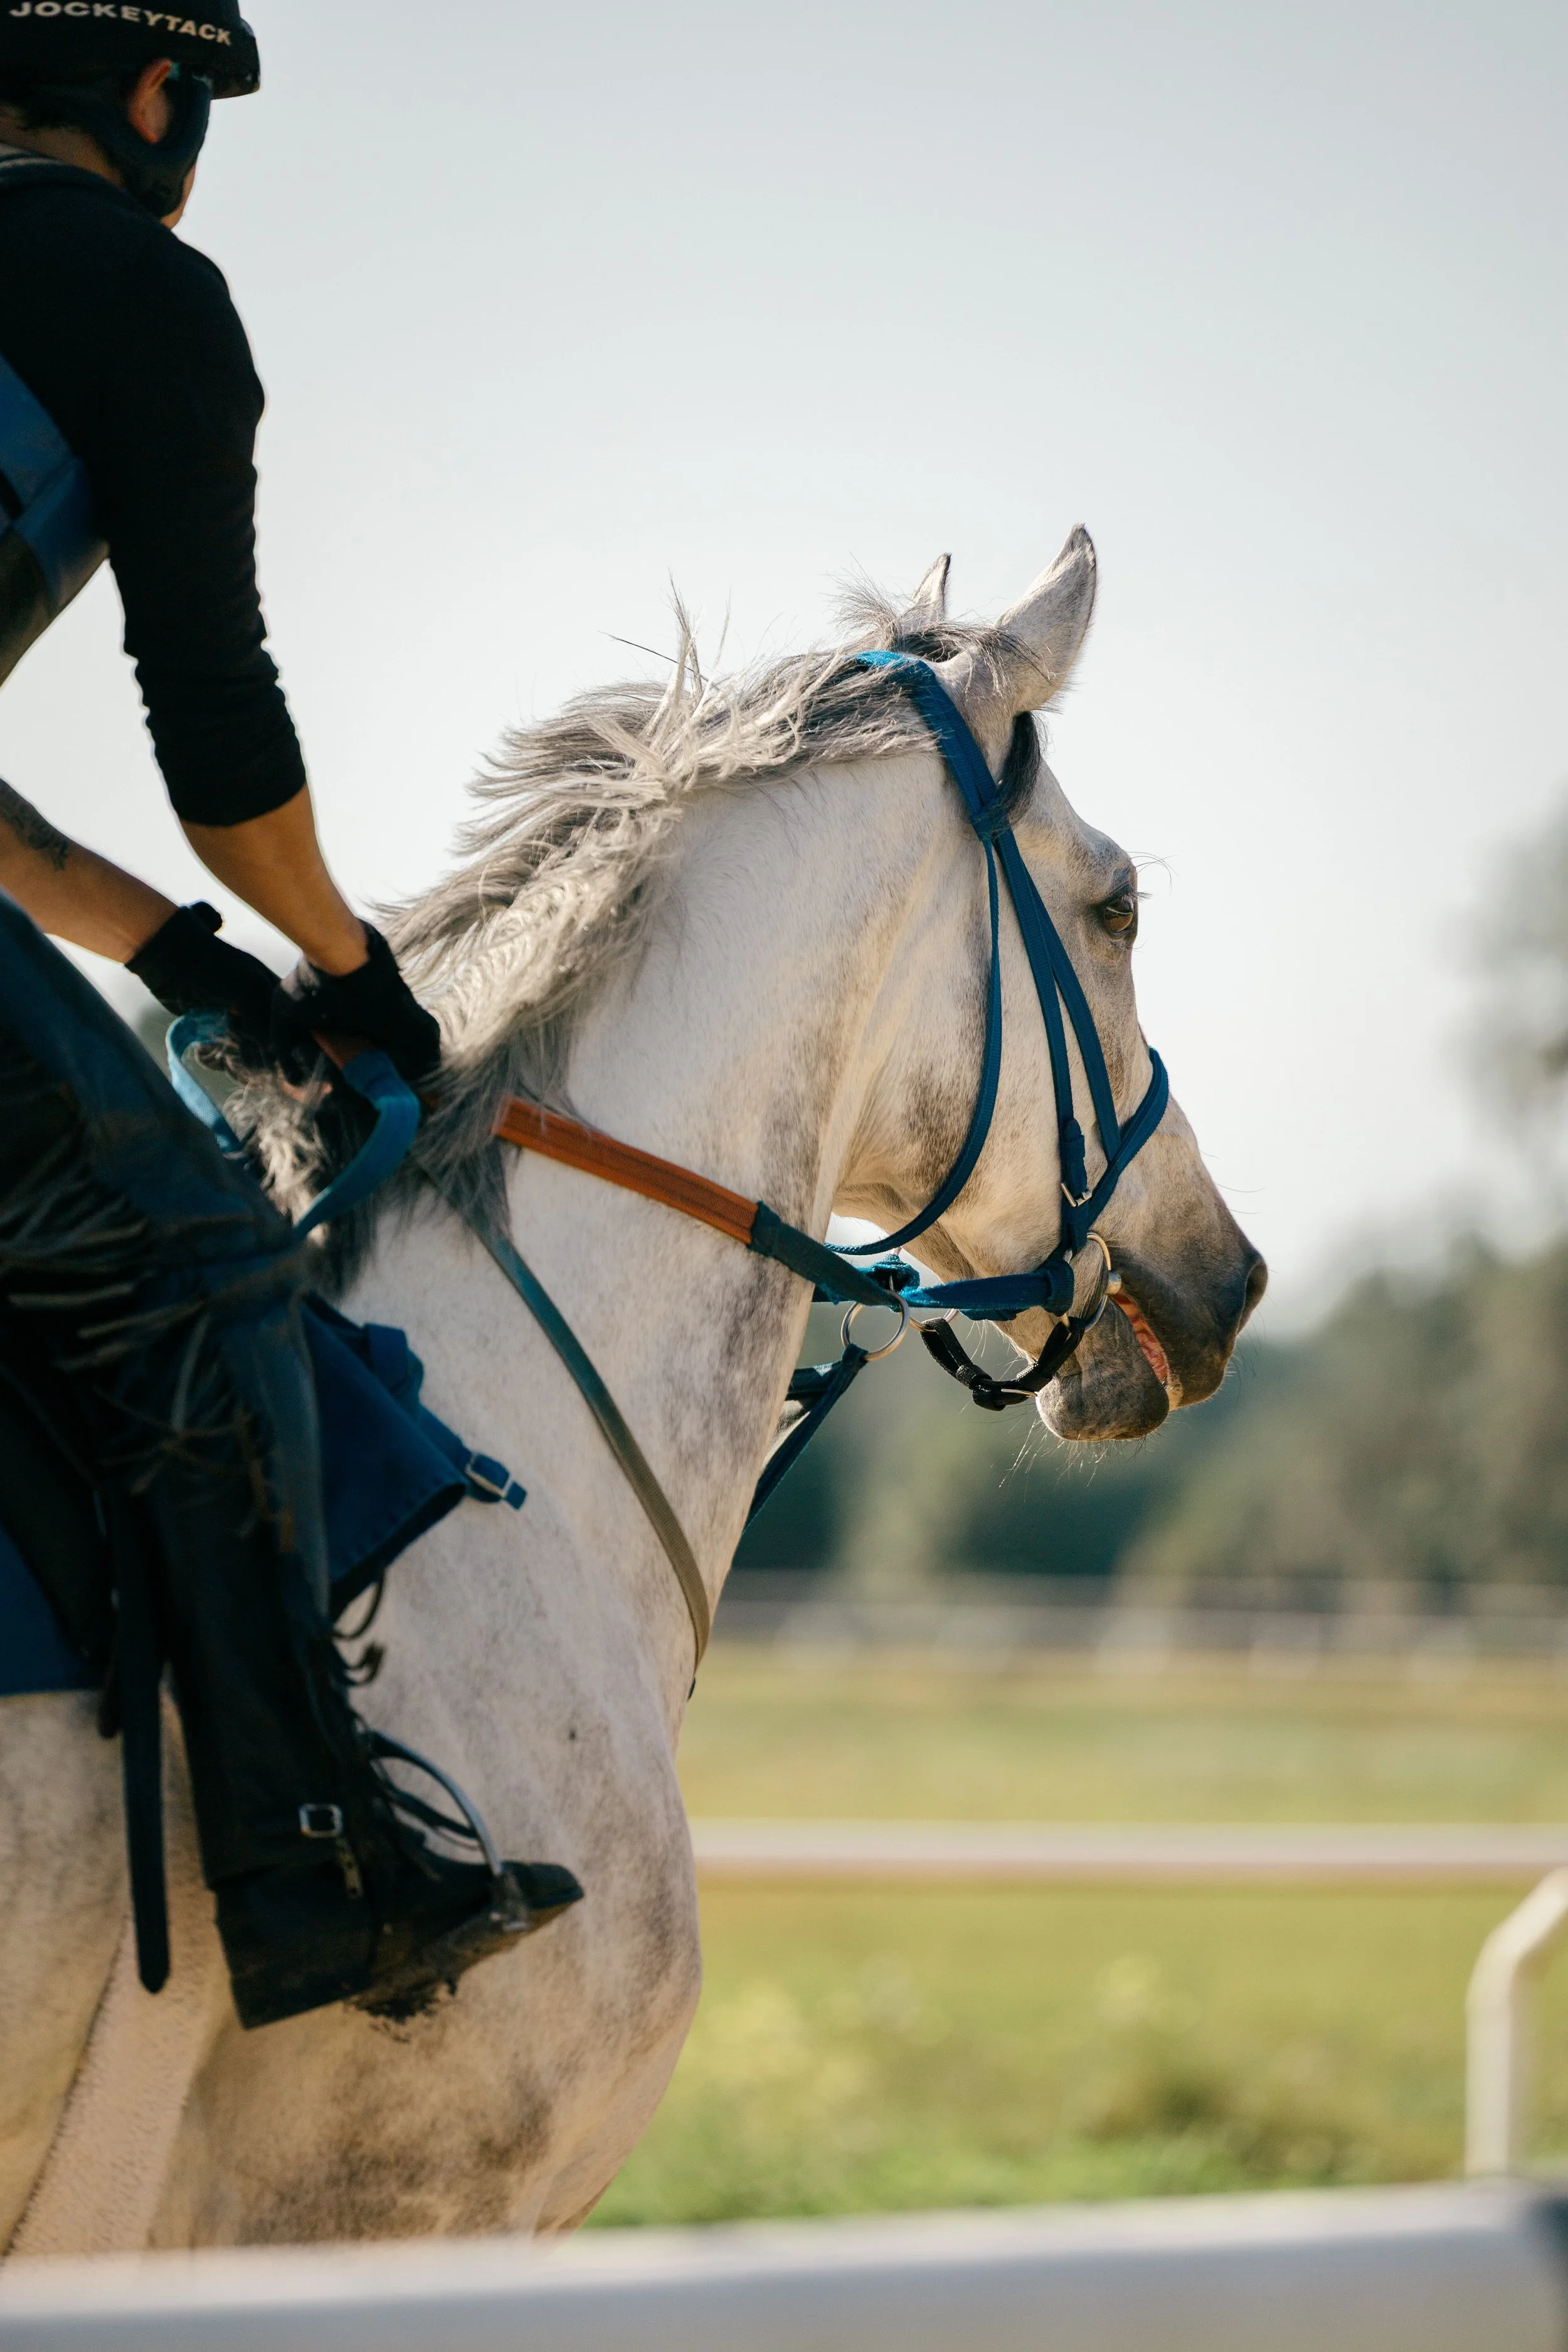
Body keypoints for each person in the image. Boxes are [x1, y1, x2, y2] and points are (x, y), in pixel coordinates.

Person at [0, 4, 580, 2028]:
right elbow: (226, 748)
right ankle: (321, 1871)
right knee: (195, 1269)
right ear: (149, 100)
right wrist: (347, 967)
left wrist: (161, 948)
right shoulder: (136, 289)